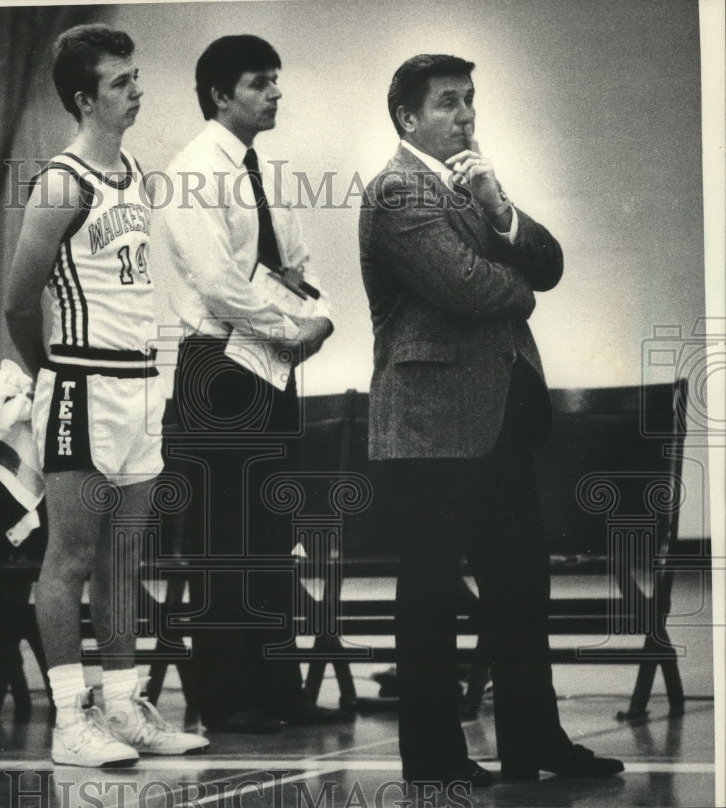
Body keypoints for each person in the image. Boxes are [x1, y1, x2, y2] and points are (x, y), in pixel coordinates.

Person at [358, 54, 625, 786]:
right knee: (432, 595)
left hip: (497, 417)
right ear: (409, 117)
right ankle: (434, 757)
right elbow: (471, 289)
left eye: (470, 100)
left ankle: (534, 741)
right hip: (429, 427)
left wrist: (501, 207)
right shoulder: (395, 190)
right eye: (448, 103)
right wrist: (520, 285)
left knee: (519, 590)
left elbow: (551, 261)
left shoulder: (472, 187)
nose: (466, 114)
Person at [5, 24, 209, 767]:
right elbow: (16, 302)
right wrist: (50, 376)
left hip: (139, 382)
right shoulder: (60, 182)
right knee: (68, 558)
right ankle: (70, 719)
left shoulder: (134, 174)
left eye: (136, 77)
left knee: (125, 558)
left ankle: (122, 707)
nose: (137, 90)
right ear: (84, 98)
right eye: (120, 82)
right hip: (81, 381)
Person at [154, 35, 341, 733]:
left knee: (270, 534)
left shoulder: (262, 169)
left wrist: (317, 313)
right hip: (219, 366)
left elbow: (295, 264)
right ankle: (226, 697)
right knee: (223, 538)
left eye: (276, 81)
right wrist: (292, 326)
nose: (274, 94)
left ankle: (278, 690)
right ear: (219, 95)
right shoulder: (190, 173)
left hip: (269, 364)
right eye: (260, 83)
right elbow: (219, 284)